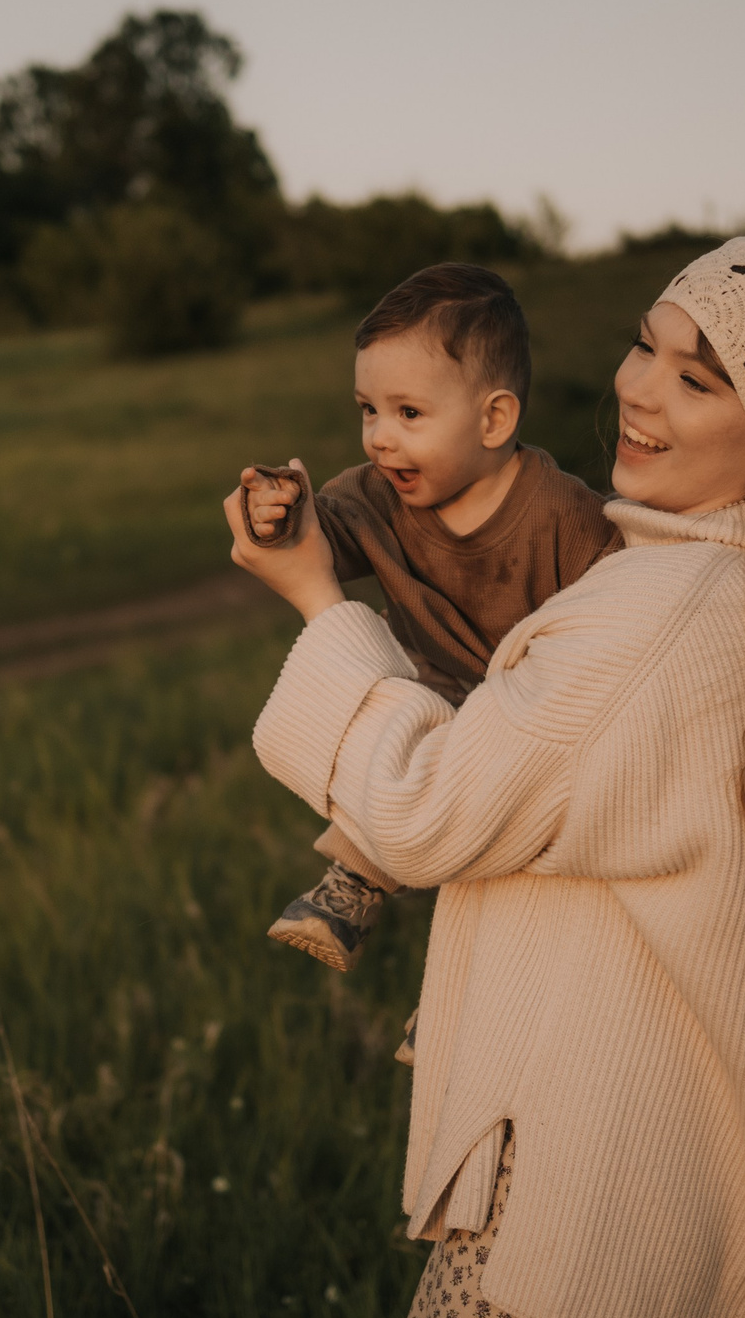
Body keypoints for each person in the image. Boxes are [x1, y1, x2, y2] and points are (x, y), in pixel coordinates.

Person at [223, 236, 745, 1318]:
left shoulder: (653, 621)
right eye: (644, 346)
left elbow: (426, 809)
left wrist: (315, 601)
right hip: (607, 1184)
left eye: (697, 380)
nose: (638, 390)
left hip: (572, 1203)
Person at [237, 263, 614, 977]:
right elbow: (320, 538)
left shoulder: (566, 517)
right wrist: (275, 517)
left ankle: (469, 990)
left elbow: (616, 617)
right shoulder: (377, 496)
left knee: (513, 873)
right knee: (389, 753)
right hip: (428, 703)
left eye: (408, 414)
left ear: (494, 418)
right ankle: (353, 884)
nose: (380, 438)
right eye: (367, 409)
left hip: (527, 720)